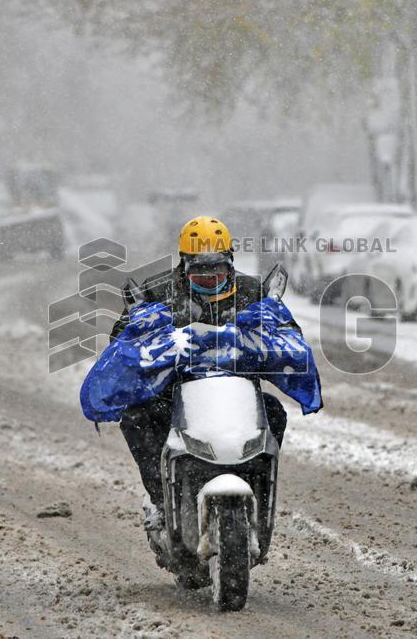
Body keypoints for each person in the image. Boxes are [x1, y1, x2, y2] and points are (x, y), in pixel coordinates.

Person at [110, 216, 302, 532]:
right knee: (137, 417)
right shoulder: (157, 292)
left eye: (218, 269)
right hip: (174, 395)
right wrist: (145, 344)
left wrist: (278, 344)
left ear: (230, 262)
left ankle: (257, 495)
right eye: (201, 271)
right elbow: (122, 336)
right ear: (184, 266)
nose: (211, 278)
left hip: (238, 394)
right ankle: (160, 500)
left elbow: (286, 331)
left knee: (275, 413)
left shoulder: (253, 291)